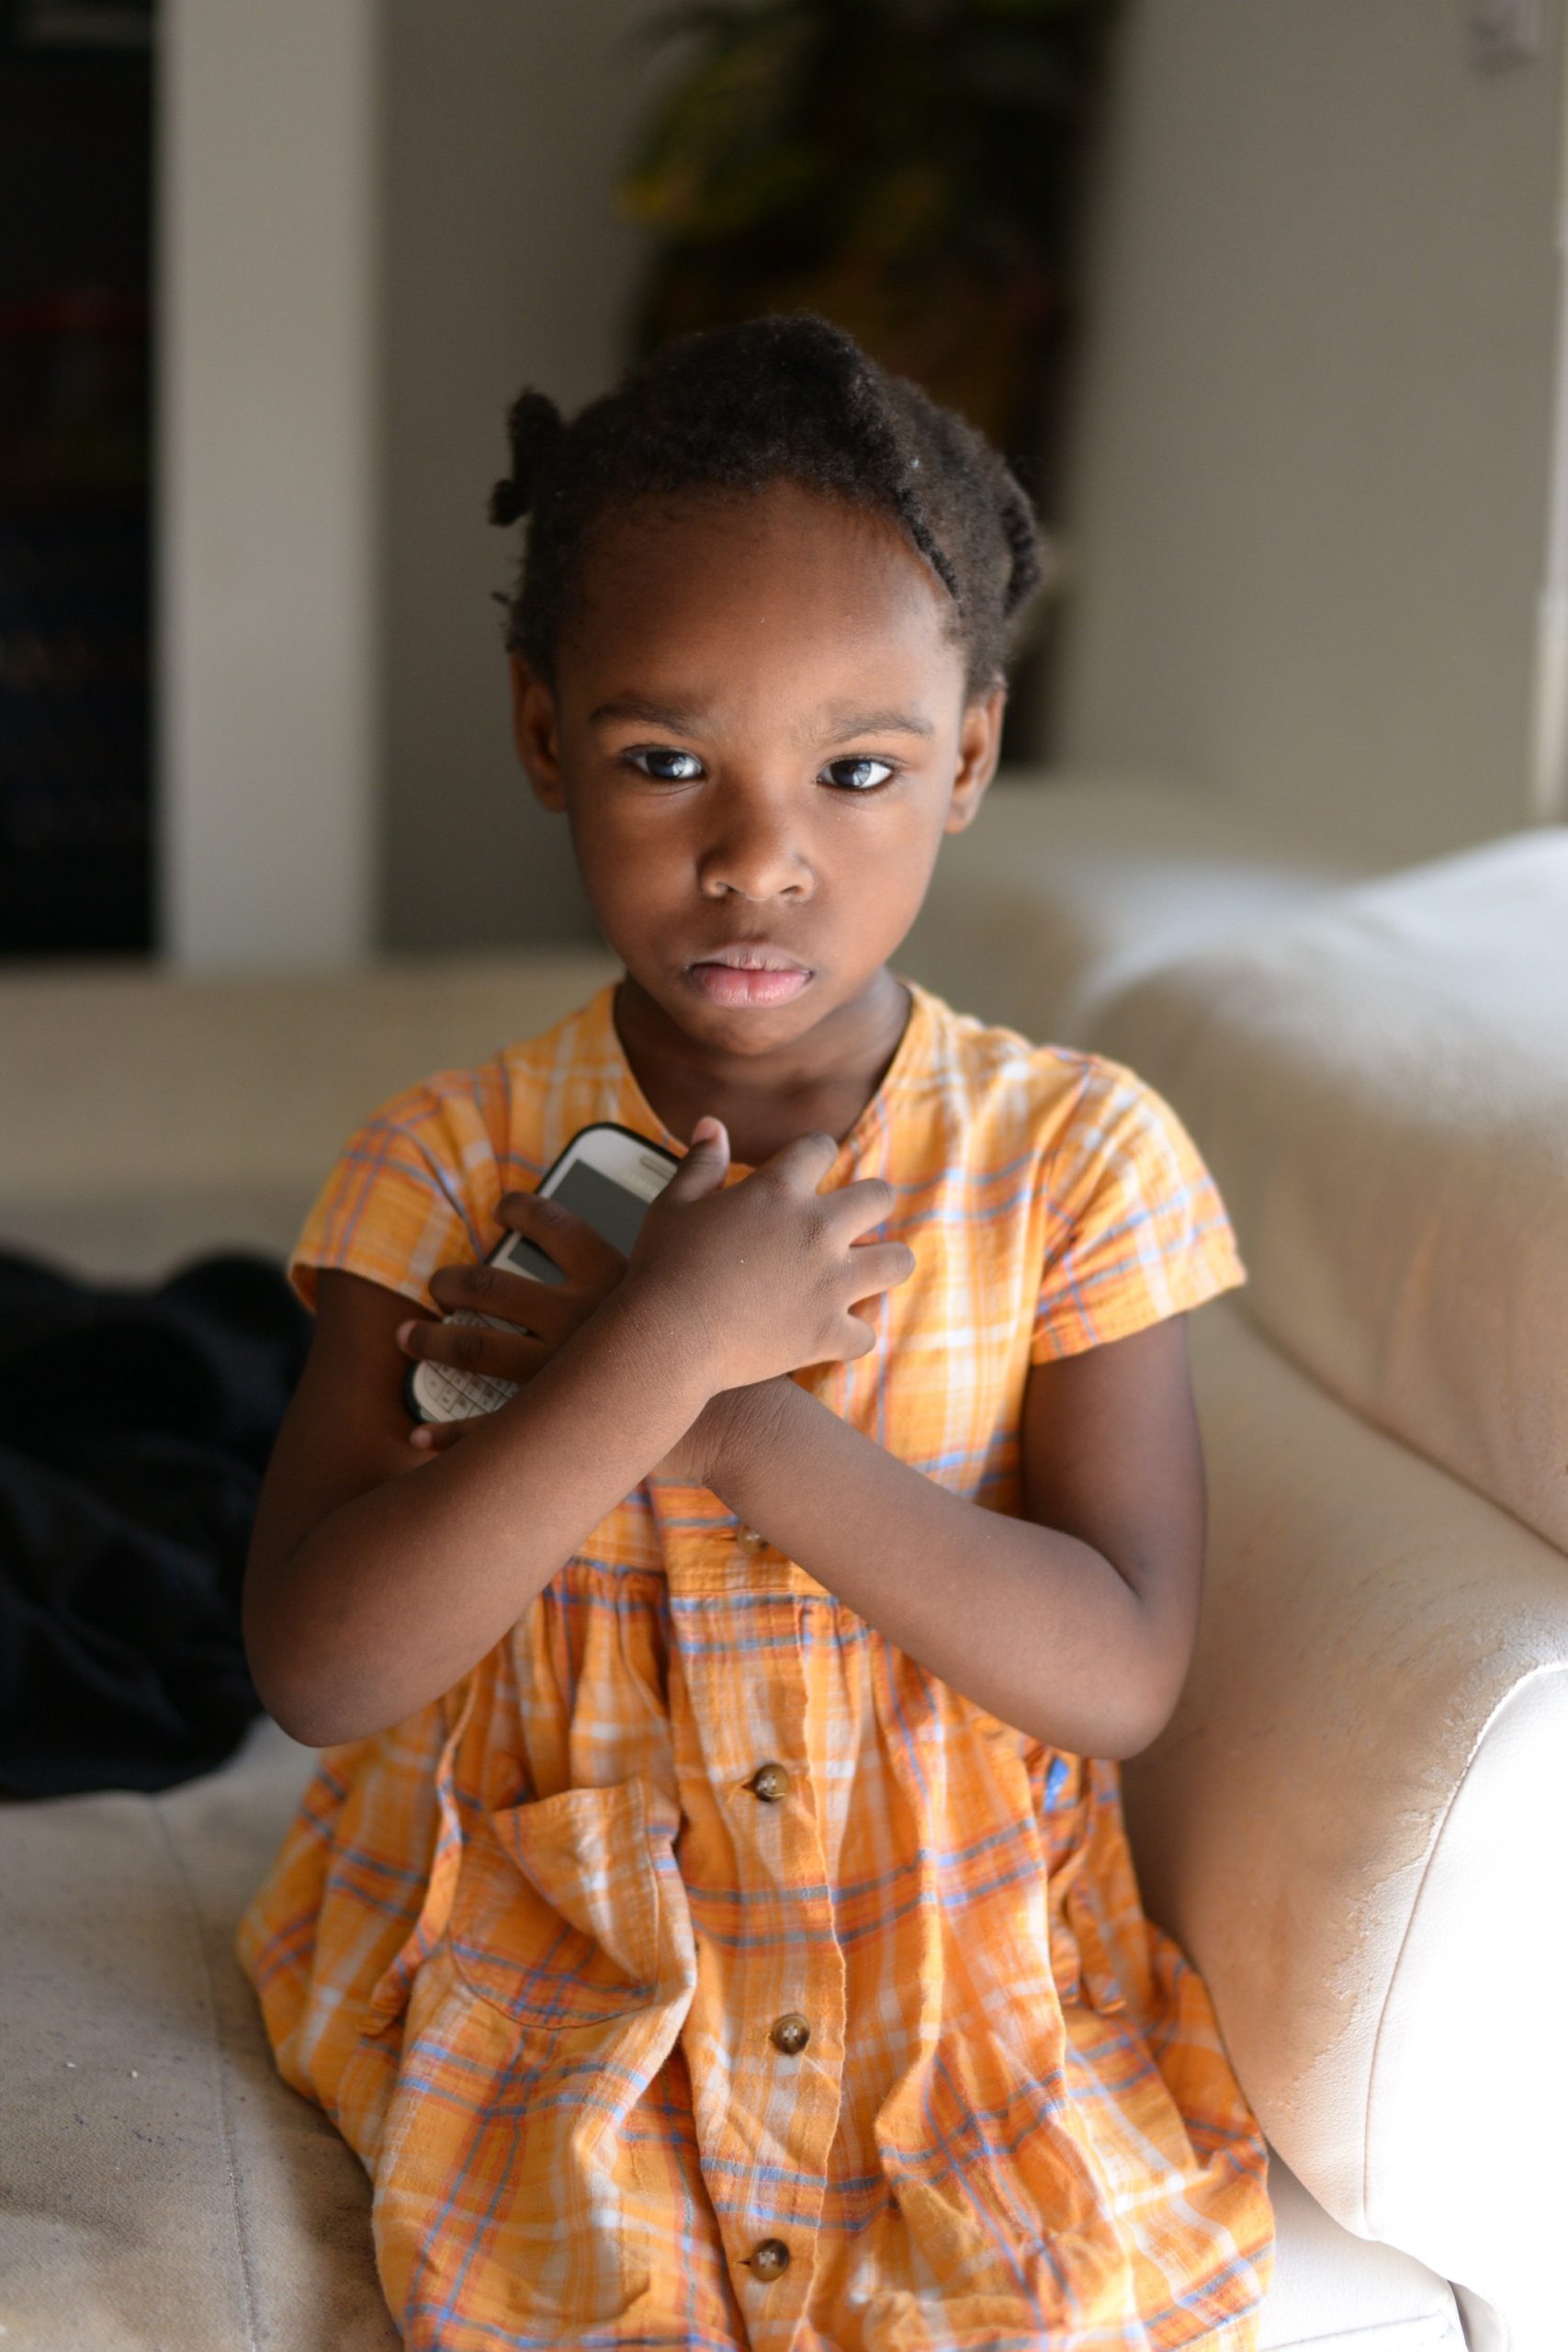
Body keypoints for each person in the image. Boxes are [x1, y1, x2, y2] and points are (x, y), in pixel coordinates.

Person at [238, 313, 1273, 2350]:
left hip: (946, 1990)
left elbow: (1121, 1668)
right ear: (544, 736)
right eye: (661, 761)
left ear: (967, 757)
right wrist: (647, 1353)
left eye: (857, 768)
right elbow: (320, 1658)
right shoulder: (444, 1160)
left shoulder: (1073, 1155)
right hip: (564, 1964)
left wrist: (729, 1425)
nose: (755, 852)